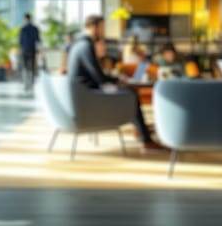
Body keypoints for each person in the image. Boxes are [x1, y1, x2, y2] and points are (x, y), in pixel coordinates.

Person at [67, 15, 164, 151]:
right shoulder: (86, 45)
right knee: (131, 95)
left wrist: (115, 80)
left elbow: (96, 76)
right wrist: (117, 80)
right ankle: (146, 140)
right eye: (101, 28)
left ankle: (142, 132)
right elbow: (99, 78)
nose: (102, 32)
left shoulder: (78, 43)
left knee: (129, 93)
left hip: (84, 95)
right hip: (90, 97)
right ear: (93, 27)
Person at [19, 13, 40, 92]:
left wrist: (21, 48)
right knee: (31, 66)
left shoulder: (22, 28)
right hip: (32, 49)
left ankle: (25, 83)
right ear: (30, 18)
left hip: (24, 49)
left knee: (25, 66)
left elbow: (20, 41)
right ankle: (31, 83)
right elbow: (38, 39)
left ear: (25, 19)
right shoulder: (35, 28)